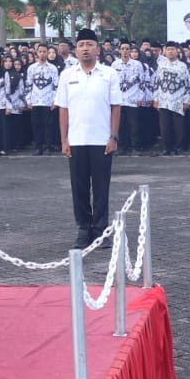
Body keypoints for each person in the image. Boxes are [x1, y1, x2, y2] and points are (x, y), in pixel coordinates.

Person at [57, 29, 122, 248]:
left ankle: (101, 230)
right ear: (76, 49)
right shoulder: (67, 75)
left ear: (98, 48)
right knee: (79, 187)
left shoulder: (109, 74)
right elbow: (63, 110)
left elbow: (115, 108)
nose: (85, 48)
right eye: (81, 44)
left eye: (89, 44)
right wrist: (64, 140)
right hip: (76, 140)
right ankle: (84, 229)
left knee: (102, 187)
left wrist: (113, 136)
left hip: (101, 139)